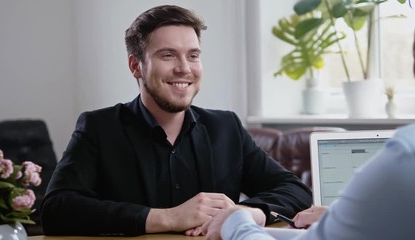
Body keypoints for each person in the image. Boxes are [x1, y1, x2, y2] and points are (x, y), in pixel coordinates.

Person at [40, 5, 312, 237]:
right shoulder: (99, 128)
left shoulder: (225, 127)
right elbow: (56, 209)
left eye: (193, 55)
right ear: (136, 66)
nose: (184, 68)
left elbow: (295, 190)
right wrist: (168, 218)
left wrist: (252, 212)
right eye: (168, 55)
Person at [202, 123, 415, 240]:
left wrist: (236, 220)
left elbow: (294, 188)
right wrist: (338, 218)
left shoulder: (403, 159)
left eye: (193, 56)